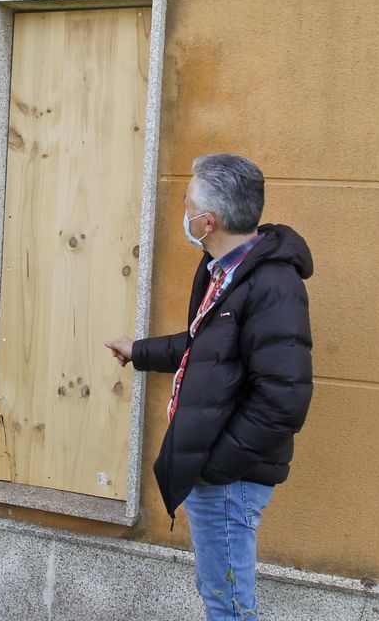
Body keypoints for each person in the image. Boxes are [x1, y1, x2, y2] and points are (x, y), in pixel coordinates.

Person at [104, 153, 314, 621]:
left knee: (230, 606)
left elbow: (284, 400)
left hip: (228, 478)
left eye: (187, 204)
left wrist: (216, 466)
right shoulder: (224, 271)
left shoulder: (272, 283)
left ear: (208, 220)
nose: (183, 212)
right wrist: (139, 351)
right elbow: (207, 347)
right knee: (218, 592)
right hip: (217, 474)